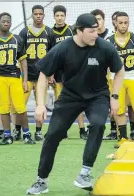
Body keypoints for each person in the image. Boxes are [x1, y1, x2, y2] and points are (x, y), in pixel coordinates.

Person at [26, 13, 125, 194]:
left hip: (98, 96)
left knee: (97, 124)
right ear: (79, 31)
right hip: (70, 96)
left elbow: (119, 70)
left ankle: (85, 173)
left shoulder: (105, 47)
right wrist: (40, 105)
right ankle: (41, 181)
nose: (96, 34)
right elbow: (42, 76)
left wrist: (115, 97)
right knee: (53, 135)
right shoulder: (62, 49)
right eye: (92, 31)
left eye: (97, 30)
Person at [0, 12, 35, 145]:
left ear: (11, 24)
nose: (6, 23)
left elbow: (23, 61)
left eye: (8, 21)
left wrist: (25, 80)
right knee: (4, 108)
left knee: (20, 107)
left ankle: (26, 134)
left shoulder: (17, 39)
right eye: (3, 21)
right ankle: (7, 136)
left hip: (15, 76)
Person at [106, 11, 134, 146]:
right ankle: (123, 138)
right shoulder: (109, 41)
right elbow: (106, 65)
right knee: (119, 109)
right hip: (115, 77)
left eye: (126, 23)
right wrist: (107, 82)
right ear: (115, 23)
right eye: (120, 23)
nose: (123, 25)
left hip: (133, 76)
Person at [15, 5, 55, 141]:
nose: (38, 16)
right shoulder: (24, 32)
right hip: (27, 75)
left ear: (44, 15)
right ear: (32, 15)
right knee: (20, 105)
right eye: (36, 14)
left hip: (42, 76)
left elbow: (53, 56)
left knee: (40, 104)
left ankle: (38, 131)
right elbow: (19, 55)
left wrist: (51, 74)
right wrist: (22, 76)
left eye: (40, 14)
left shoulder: (49, 32)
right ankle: (18, 130)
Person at [51, 5, 88, 140]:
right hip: (58, 73)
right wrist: (50, 74)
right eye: (57, 15)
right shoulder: (50, 32)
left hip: (73, 72)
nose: (60, 18)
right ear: (54, 16)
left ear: (65, 16)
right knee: (60, 103)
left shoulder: (72, 30)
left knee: (78, 102)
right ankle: (61, 130)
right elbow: (50, 55)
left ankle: (82, 130)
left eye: (62, 15)